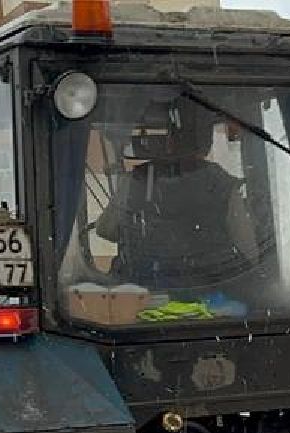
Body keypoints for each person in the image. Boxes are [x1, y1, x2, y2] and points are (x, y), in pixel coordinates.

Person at [95, 98, 258, 291]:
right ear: (206, 144)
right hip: (209, 288)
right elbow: (249, 248)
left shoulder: (135, 180)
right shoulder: (222, 182)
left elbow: (105, 230)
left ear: (169, 142)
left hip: (144, 291)